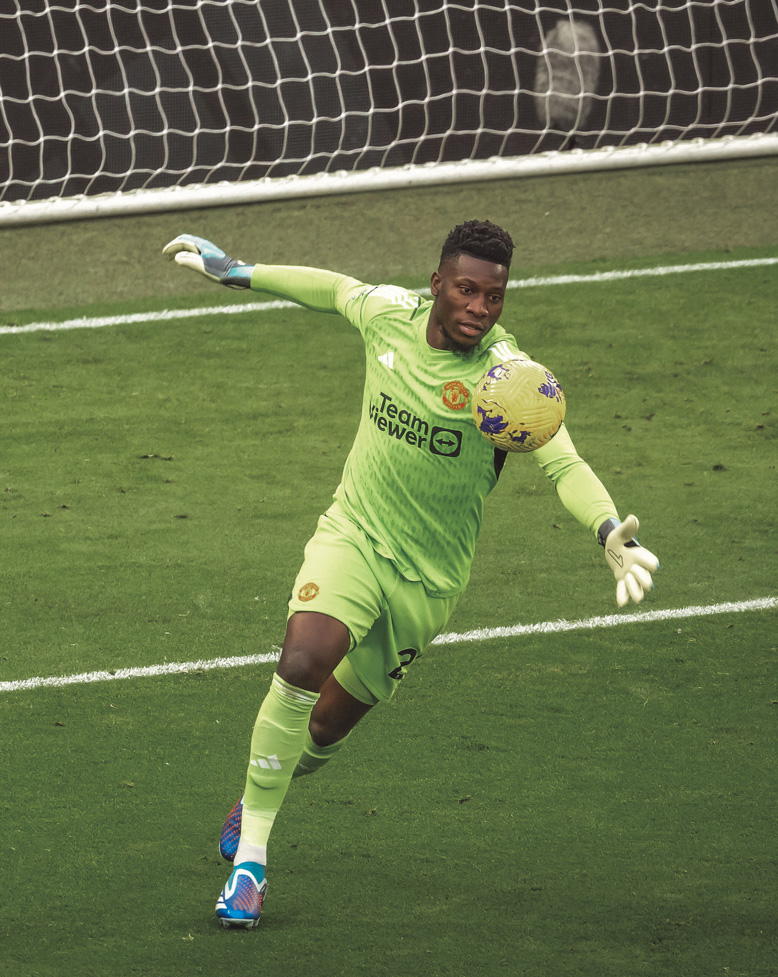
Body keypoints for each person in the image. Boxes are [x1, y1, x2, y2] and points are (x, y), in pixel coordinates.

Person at [162, 221, 659, 929]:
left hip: (427, 582)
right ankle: (253, 865)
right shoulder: (388, 316)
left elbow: (562, 462)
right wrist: (236, 270)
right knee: (302, 661)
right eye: (465, 290)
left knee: (327, 729)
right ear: (436, 285)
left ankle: (257, 797)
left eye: (493, 296)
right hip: (354, 538)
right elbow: (333, 289)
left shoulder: (506, 380)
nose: (479, 308)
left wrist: (606, 528)